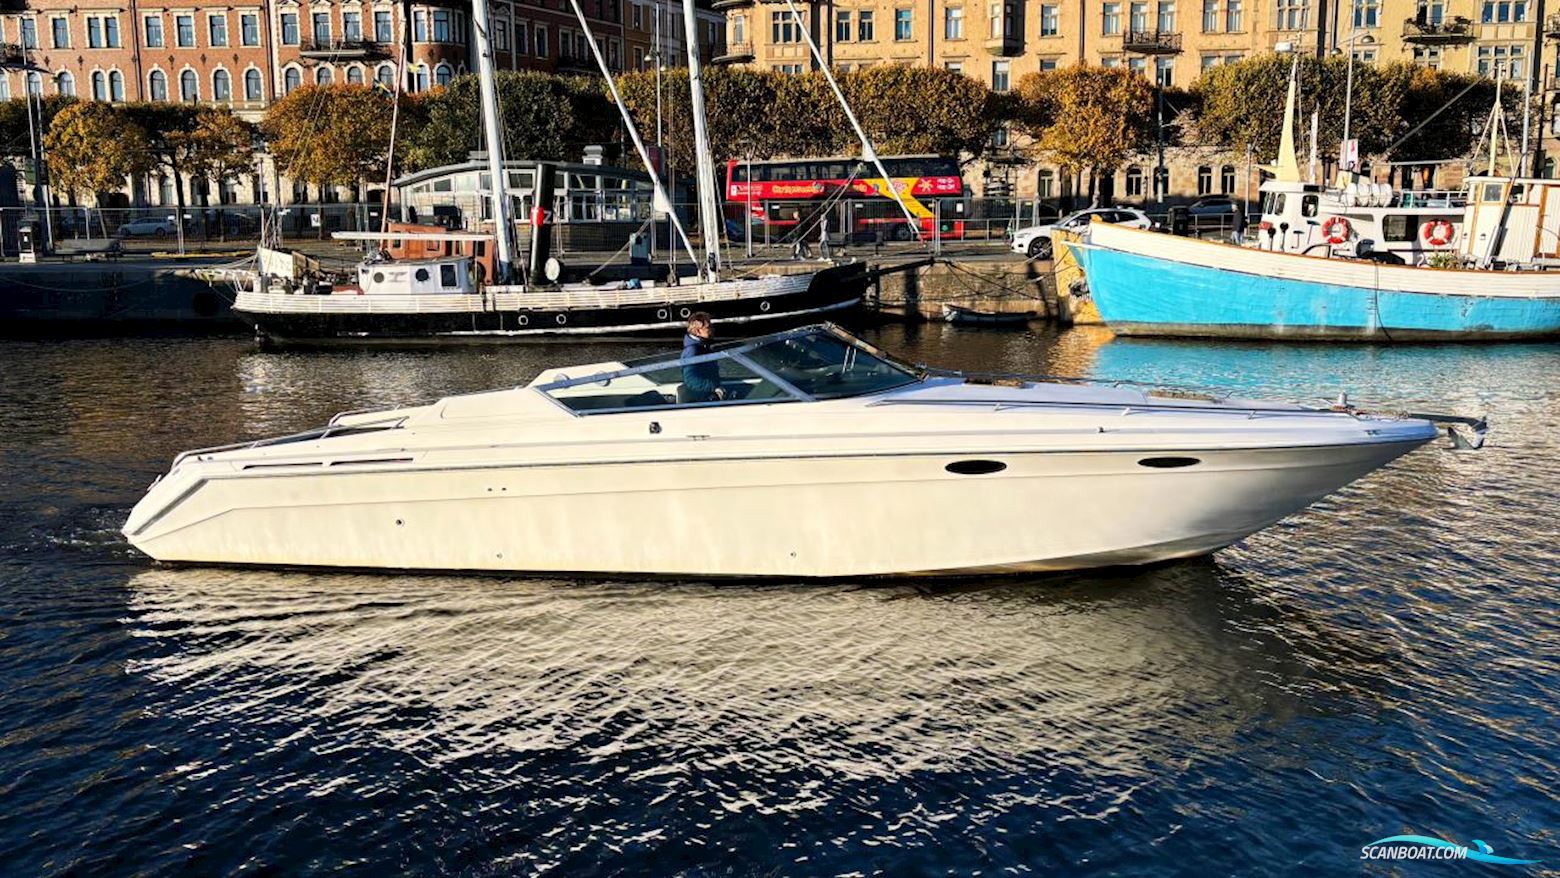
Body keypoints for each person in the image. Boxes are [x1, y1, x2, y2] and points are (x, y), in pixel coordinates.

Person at [680, 312, 724, 402]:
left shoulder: (704, 346)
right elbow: (690, 379)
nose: (712, 330)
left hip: (708, 392)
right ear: (698, 331)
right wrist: (714, 387)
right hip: (700, 398)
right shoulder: (692, 350)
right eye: (708, 328)